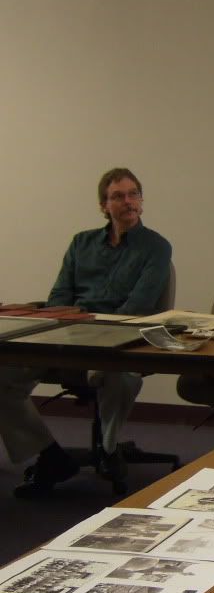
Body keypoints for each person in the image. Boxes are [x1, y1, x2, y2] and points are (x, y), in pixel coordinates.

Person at [0, 167, 172, 499]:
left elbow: (135, 308)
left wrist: (85, 323)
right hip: (66, 335)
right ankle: (50, 455)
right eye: (118, 196)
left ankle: (109, 451)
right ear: (103, 205)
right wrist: (64, 322)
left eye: (133, 194)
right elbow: (59, 298)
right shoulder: (82, 243)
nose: (128, 202)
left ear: (142, 201)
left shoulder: (156, 247)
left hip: (118, 339)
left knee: (119, 376)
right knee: (2, 375)